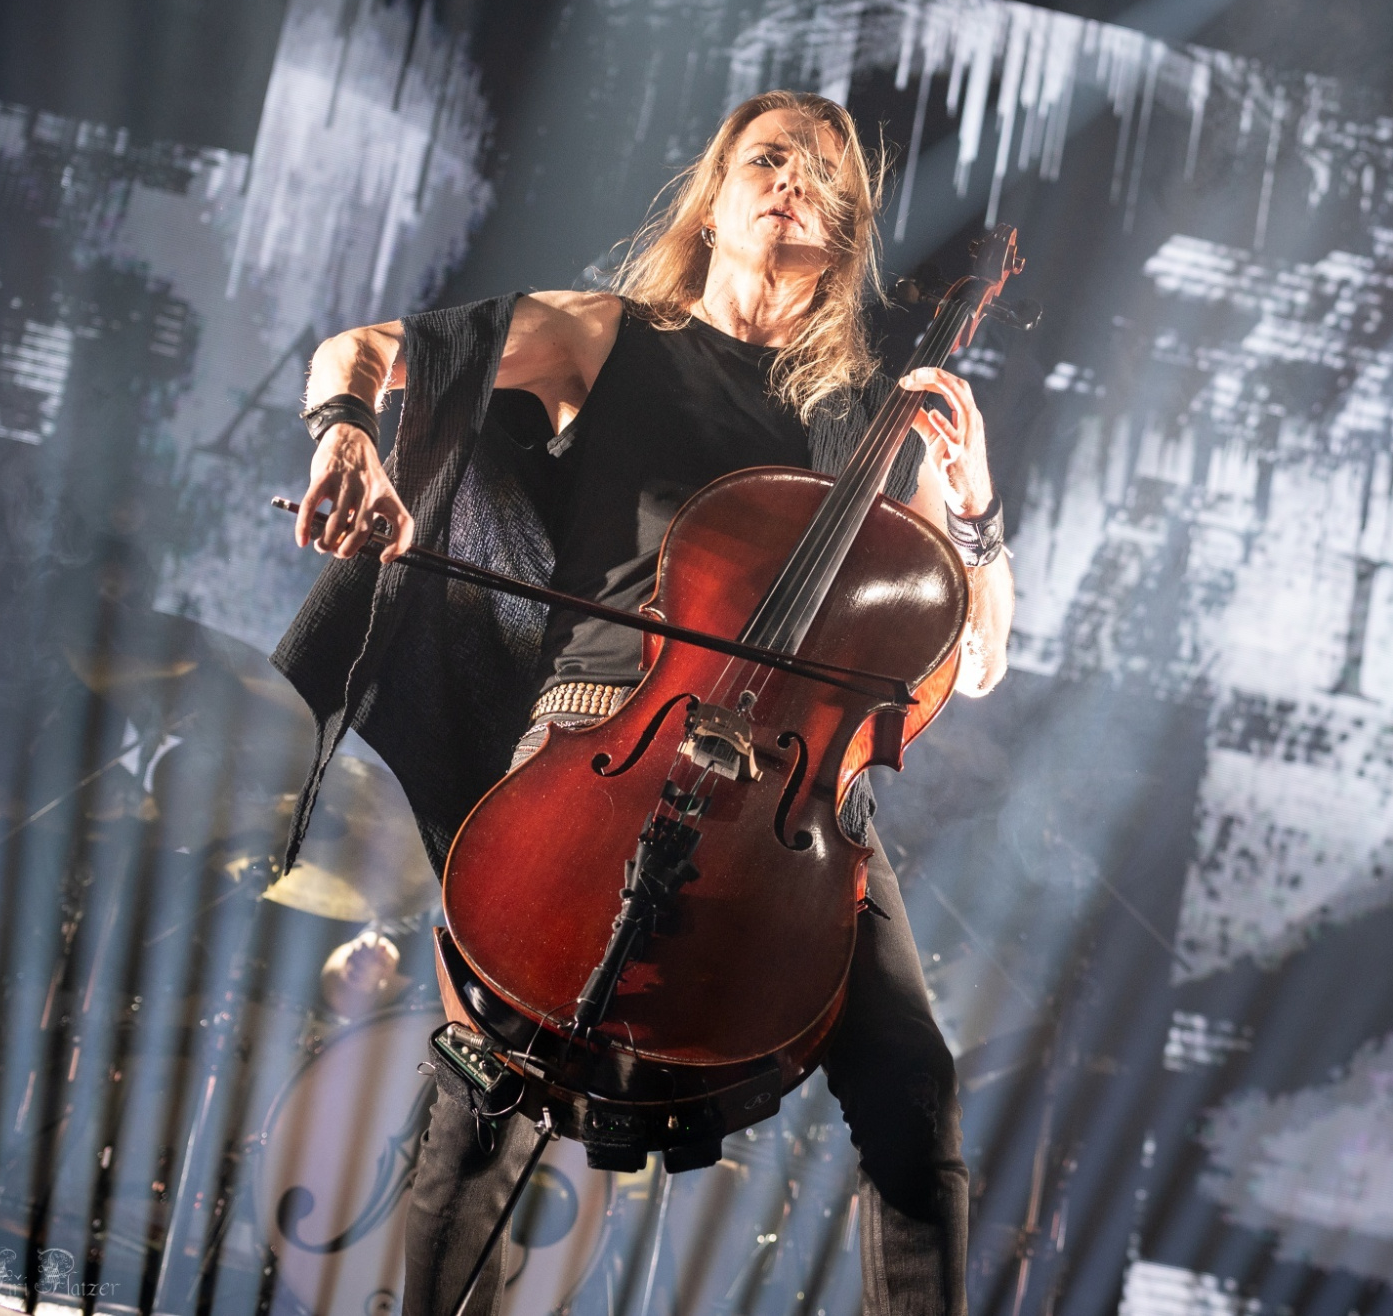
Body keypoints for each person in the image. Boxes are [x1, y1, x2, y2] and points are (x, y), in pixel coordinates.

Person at [276, 90, 1013, 1316]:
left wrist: (974, 513)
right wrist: (345, 431)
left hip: (792, 790)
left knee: (911, 1081)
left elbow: (972, 658)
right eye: (766, 159)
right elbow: (362, 350)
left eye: (823, 177)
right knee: (492, 1082)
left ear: (842, 238)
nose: (792, 182)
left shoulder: (874, 425)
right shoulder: (607, 337)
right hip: (599, 729)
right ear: (712, 199)